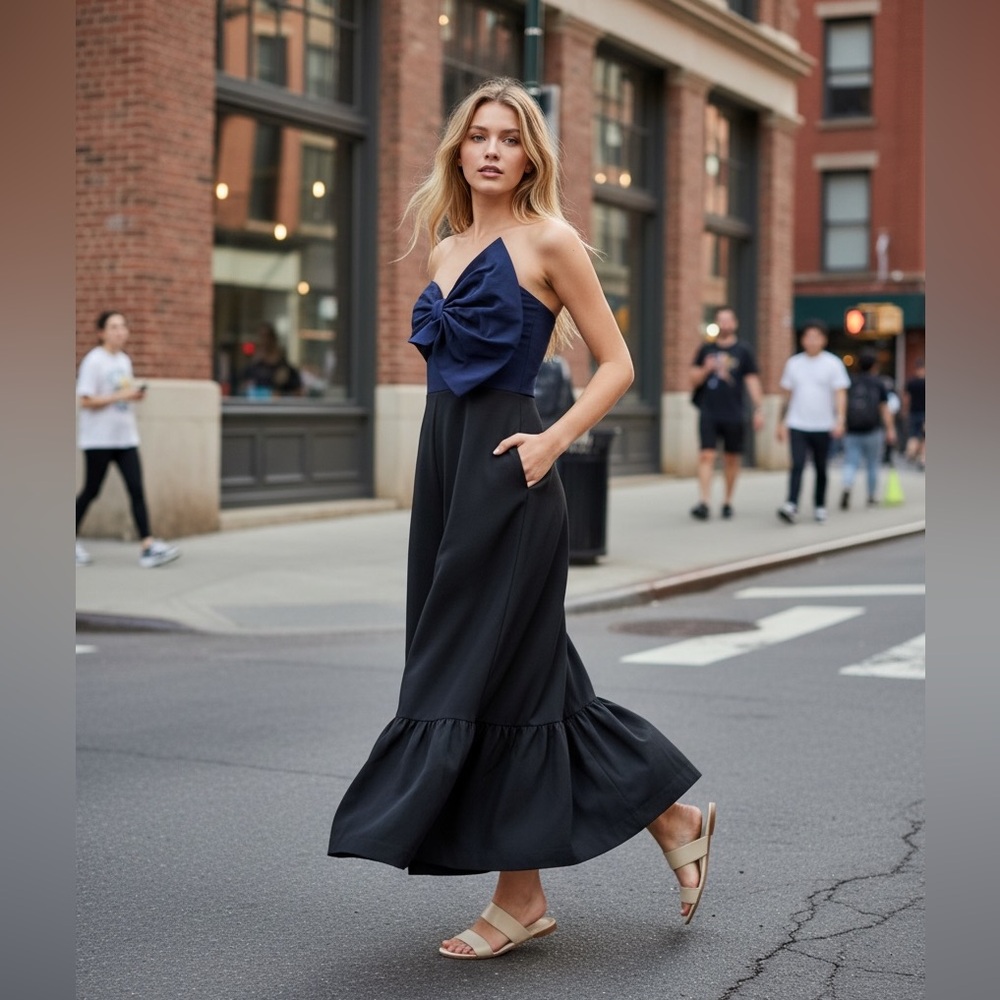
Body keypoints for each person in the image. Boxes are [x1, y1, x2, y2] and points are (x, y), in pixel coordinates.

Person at [327, 78, 714, 960]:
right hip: (446, 477)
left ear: (532, 156)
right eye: (479, 136)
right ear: (458, 151)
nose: (493, 150)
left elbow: (617, 364)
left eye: (509, 137)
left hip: (513, 476)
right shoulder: (443, 248)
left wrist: (553, 441)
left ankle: (521, 896)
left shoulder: (552, 241)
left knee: (484, 676)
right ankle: (665, 823)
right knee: (525, 680)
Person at [75, 311, 181, 568]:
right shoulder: (94, 361)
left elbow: (122, 394)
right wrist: (121, 396)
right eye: (113, 327)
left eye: (123, 326)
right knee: (91, 491)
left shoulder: (124, 360)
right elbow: (85, 400)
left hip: (125, 438)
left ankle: (148, 546)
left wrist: (133, 395)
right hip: (99, 440)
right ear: (101, 333)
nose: (120, 331)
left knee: (136, 489)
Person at [688, 307, 763, 519]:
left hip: (734, 412)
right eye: (721, 320)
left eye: (728, 320)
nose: (725, 324)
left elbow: (752, 380)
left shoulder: (743, 350)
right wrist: (706, 369)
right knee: (706, 455)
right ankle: (704, 502)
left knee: (731, 458)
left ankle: (727, 501)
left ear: (735, 323)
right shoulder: (706, 349)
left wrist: (759, 409)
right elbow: (693, 379)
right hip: (709, 410)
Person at [775, 320, 850, 523]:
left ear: (824, 340)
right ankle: (791, 504)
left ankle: (820, 505)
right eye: (808, 336)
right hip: (798, 423)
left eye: (816, 337)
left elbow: (840, 394)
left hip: (823, 424)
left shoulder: (833, 364)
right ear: (802, 340)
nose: (812, 341)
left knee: (821, 467)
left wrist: (840, 419)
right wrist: (781, 422)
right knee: (797, 464)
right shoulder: (794, 363)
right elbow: (787, 395)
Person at [839, 352, 897, 509]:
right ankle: (871, 496)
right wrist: (890, 429)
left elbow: (842, 403)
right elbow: (884, 408)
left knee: (850, 462)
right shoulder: (878, 383)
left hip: (852, 430)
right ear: (874, 366)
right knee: (872, 464)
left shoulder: (851, 382)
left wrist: (841, 422)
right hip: (873, 430)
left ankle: (847, 485)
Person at [240, 322, 303, 397]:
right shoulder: (253, 368)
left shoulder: (285, 368)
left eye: (267, 336)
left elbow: (298, 392)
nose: (264, 341)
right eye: (261, 337)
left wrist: (282, 390)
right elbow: (242, 389)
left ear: (274, 339)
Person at [903, 358, 926, 470]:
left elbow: (906, 399)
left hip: (913, 412)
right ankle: (923, 459)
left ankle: (910, 454)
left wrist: (905, 411)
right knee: (924, 437)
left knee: (913, 435)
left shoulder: (911, 382)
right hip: (925, 413)